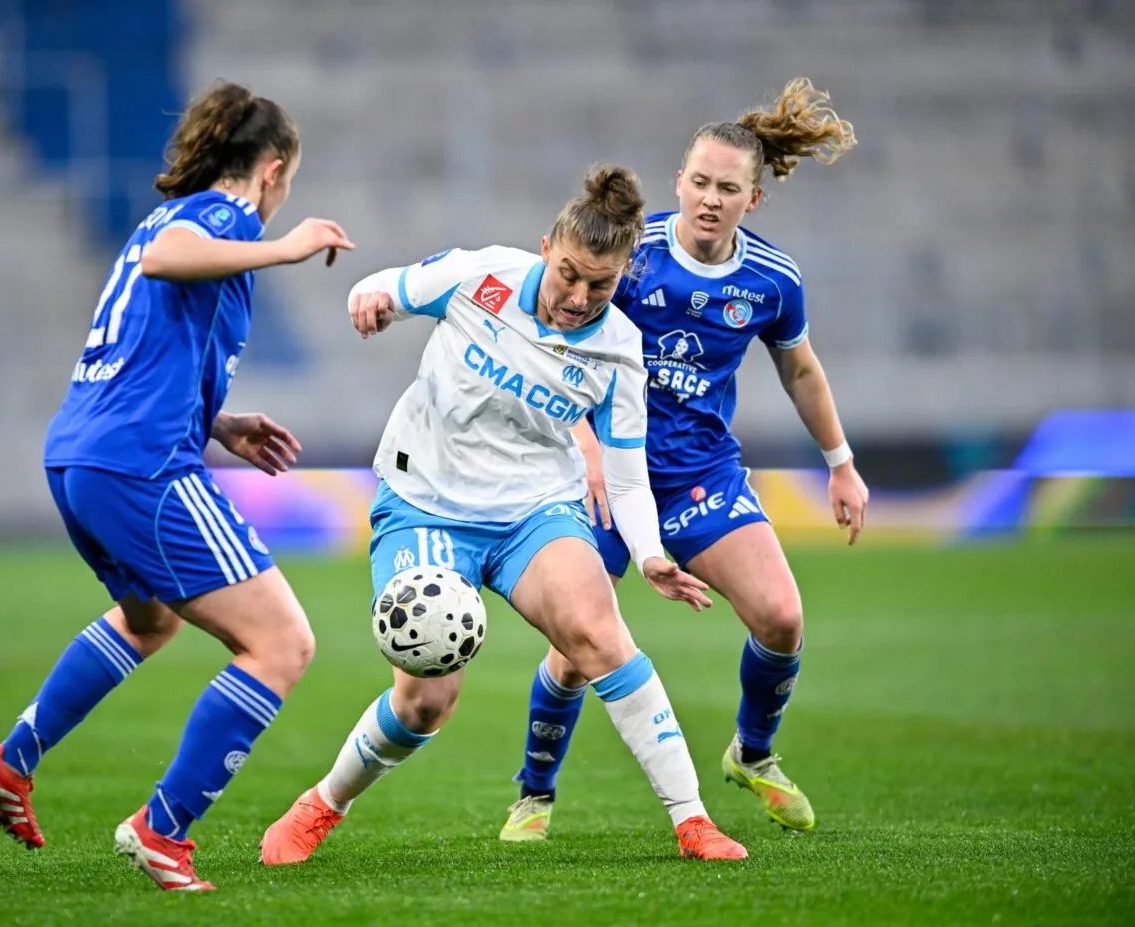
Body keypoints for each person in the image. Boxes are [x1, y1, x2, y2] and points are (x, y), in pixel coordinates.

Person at [259, 164, 750, 866]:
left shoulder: (619, 349)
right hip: (426, 500)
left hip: (532, 509)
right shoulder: (481, 275)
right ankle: (322, 803)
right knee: (427, 701)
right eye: (570, 274)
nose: (580, 297)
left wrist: (649, 554)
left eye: (602, 285)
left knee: (600, 632)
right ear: (546, 247)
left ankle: (693, 820)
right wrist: (368, 300)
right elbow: (386, 286)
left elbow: (625, 474)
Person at [0, 81, 354, 892]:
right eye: (288, 189)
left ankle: (12, 760)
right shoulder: (219, 217)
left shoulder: (168, 219)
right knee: (283, 642)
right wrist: (282, 247)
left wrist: (221, 423)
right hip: (139, 465)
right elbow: (168, 260)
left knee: (151, 618)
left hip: (80, 454)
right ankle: (161, 829)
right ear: (273, 171)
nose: (283, 207)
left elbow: (149, 341)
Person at [498, 78, 869, 843]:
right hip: (604, 472)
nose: (708, 198)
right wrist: (589, 446)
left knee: (782, 616)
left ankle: (751, 753)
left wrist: (840, 461)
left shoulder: (773, 279)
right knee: (575, 652)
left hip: (701, 472)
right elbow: (563, 344)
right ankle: (534, 793)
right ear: (678, 182)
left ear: (751, 201)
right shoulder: (632, 260)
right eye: (698, 181)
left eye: (726, 188)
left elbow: (800, 368)